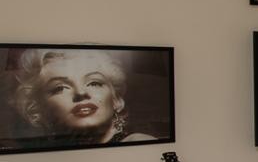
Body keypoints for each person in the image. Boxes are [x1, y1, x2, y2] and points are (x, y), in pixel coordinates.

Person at [8, 48, 157, 146]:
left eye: (94, 83)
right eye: (60, 88)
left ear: (116, 100)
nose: (80, 93)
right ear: (41, 111)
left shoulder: (139, 143)